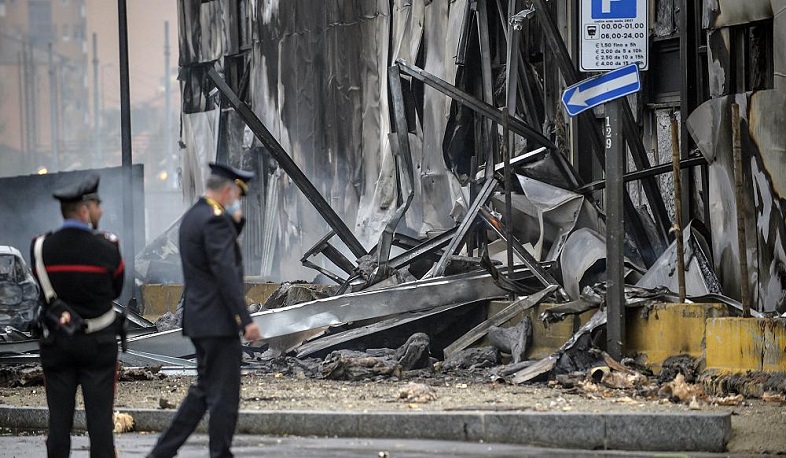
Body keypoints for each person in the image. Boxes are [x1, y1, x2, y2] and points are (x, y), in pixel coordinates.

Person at [148, 162, 262, 458]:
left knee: (203, 392)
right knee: (224, 395)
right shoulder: (214, 220)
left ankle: (162, 453)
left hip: (200, 320)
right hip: (217, 322)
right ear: (227, 190)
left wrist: (234, 222)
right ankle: (219, 453)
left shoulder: (194, 217)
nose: (237, 199)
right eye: (237, 194)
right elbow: (224, 271)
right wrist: (245, 319)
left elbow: (211, 256)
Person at [30, 173, 125, 457]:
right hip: (99, 346)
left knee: (58, 425)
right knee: (100, 426)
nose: (102, 211)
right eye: (97, 205)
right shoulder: (108, 247)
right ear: (84, 210)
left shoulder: (40, 247)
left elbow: (42, 292)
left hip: (57, 345)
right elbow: (116, 290)